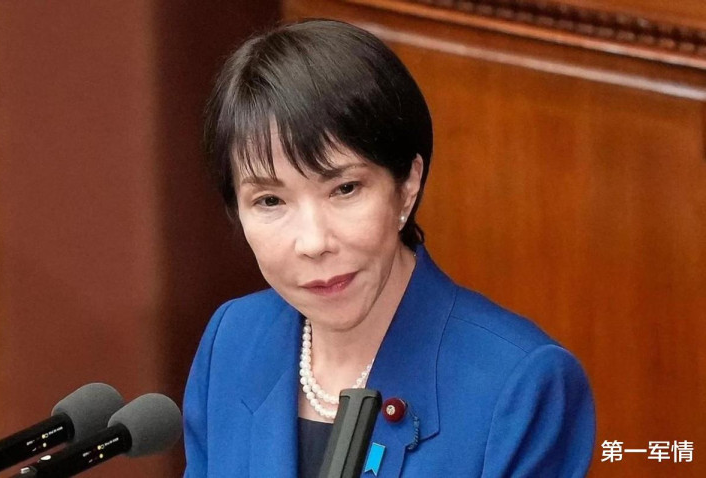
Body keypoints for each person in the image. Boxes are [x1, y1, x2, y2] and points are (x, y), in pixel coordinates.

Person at [183, 19, 595, 478]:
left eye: (344, 189)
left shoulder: (519, 385)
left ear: (407, 185)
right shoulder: (234, 339)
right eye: (270, 201)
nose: (314, 242)